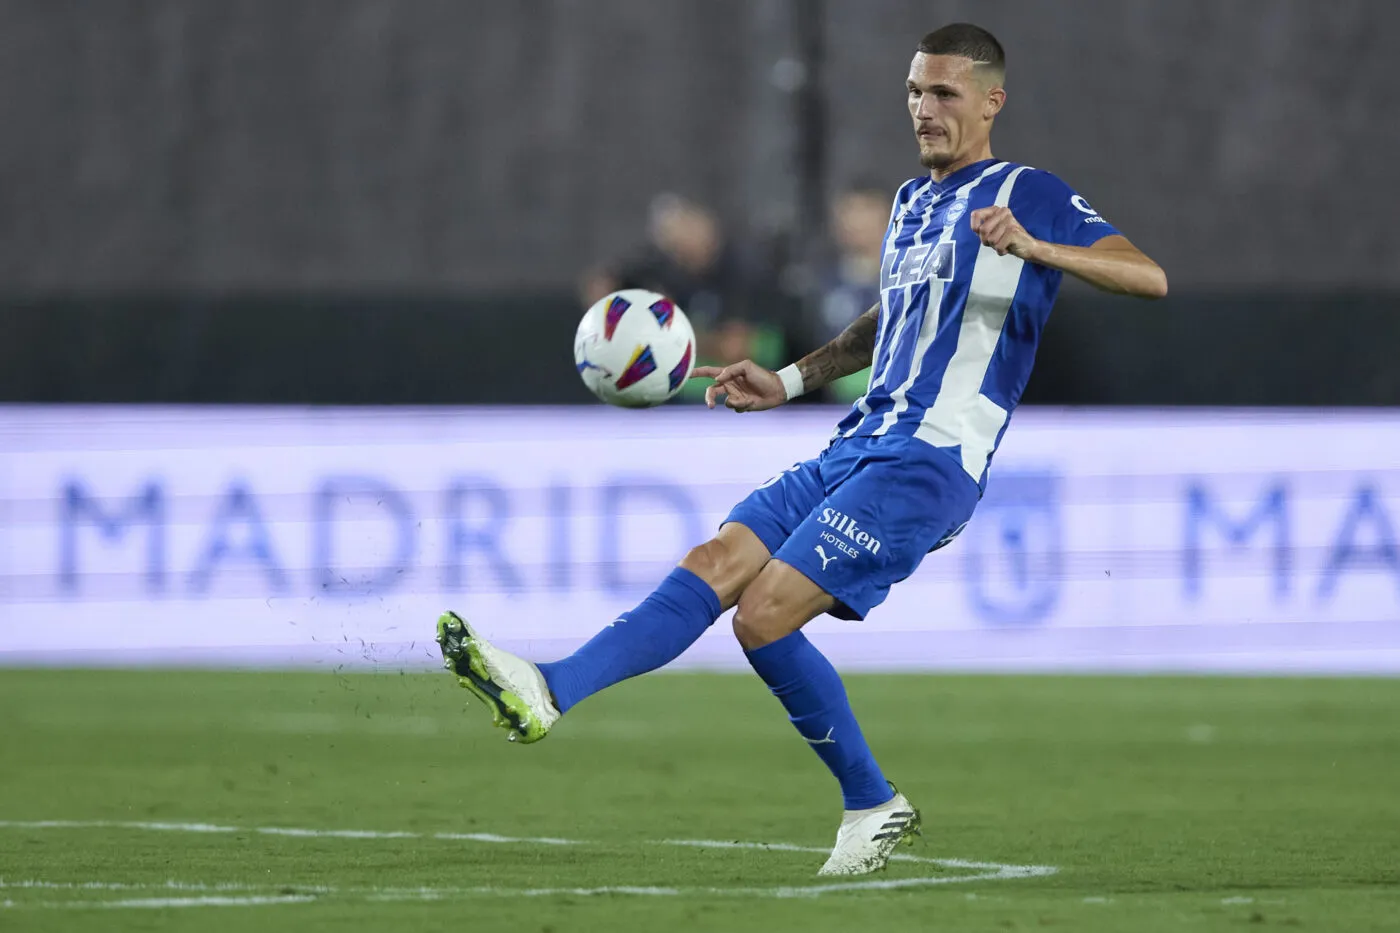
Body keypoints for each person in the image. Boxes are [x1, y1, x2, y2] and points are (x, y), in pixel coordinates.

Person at [435, 22, 1167, 876]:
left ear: (991, 101)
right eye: (914, 92)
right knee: (715, 560)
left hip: (929, 460)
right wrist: (787, 381)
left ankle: (872, 800)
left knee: (764, 614)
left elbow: (1145, 273)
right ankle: (548, 689)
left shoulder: (1026, 192)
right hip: (857, 442)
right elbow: (884, 324)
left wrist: (1038, 248)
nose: (923, 110)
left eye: (944, 94)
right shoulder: (910, 203)